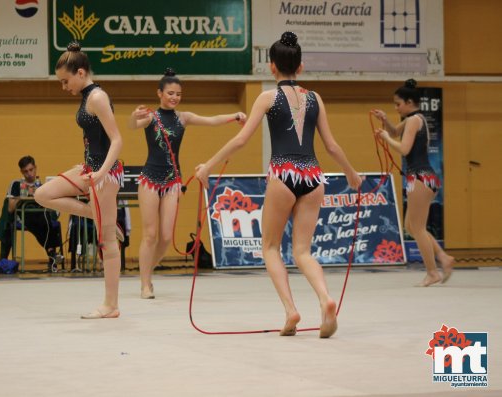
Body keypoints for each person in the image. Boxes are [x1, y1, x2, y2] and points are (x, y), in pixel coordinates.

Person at [195, 32, 362, 338]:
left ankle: (290, 310)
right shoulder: (315, 98)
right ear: (300, 67)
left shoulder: (267, 98)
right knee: (303, 251)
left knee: (271, 247)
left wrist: (208, 165)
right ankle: (325, 299)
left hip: (283, 174)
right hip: (313, 176)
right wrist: (351, 173)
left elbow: (241, 139)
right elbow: (333, 146)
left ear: (271, 67)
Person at [128, 68, 247, 299]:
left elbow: (211, 121)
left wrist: (234, 116)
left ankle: (147, 272)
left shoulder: (183, 118)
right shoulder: (151, 117)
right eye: (170, 93)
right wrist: (134, 115)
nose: (174, 97)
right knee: (150, 235)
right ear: (160, 93)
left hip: (173, 181)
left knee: (165, 237)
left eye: (178, 94)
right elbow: (133, 126)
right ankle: (145, 284)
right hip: (150, 180)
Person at [34, 41, 123, 319]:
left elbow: (118, 140)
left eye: (65, 81)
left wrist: (101, 172)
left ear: (81, 73)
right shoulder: (86, 97)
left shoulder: (97, 97)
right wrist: (87, 166)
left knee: (107, 242)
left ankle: (111, 305)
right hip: (90, 169)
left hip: (105, 174)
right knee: (43, 194)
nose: (64, 87)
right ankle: (97, 216)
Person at [372, 79, 454, 287]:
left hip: (420, 178)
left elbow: (404, 148)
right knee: (412, 225)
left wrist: (384, 138)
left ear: (409, 102)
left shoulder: (414, 120)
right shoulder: (415, 119)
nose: (396, 108)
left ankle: (432, 272)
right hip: (422, 177)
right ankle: (444, 258)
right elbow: (395, 132)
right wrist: (385, 122)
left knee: (417, 228)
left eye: (398, 104)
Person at [0, 155, 63, 272]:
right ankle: (52, 253)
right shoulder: (15, 184)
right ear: (21, 171)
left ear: (35, 168)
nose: (29, 174)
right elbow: (10, 208)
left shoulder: (42, 186)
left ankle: (52, 255)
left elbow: (54, 210)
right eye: (25, 171)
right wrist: (24, 194)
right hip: (22, 217)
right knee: (40, 221)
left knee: (46, 220)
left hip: (40, 217)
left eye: (31, 170)